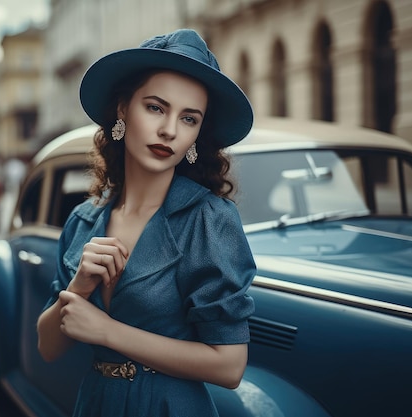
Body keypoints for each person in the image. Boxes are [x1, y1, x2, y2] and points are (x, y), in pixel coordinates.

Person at [37, 29, 256, 417]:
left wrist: (108, 332)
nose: (170, 129)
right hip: (95, 405)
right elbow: (48, 347)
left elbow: (229, 365)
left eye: (188, 118)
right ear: (123, 109)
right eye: (156, 107)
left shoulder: (209, 221)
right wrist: (79, 287)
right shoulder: (84, 220)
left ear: (196, 135)